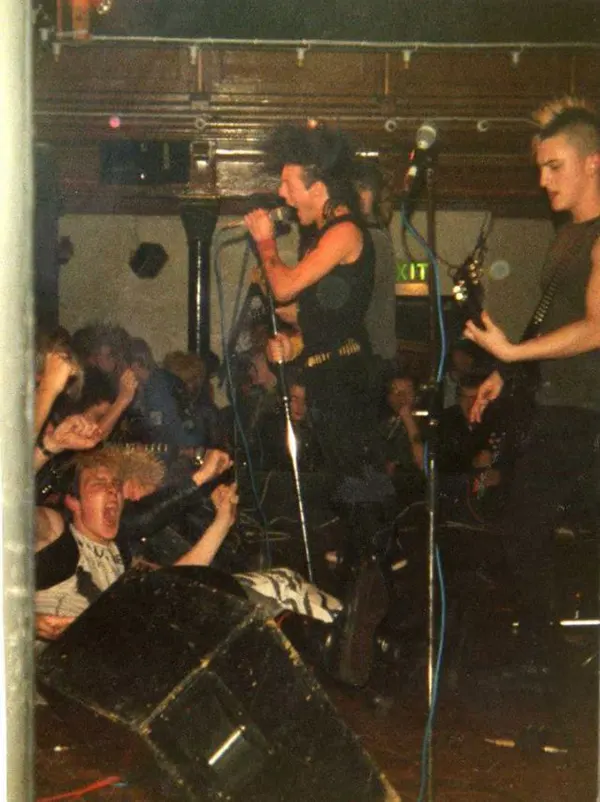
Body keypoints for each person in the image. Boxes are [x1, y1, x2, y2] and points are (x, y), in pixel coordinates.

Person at [244, 122, 391, 686]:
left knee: (360, 508)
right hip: (334, 384)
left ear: (320, 187)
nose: (281, 197)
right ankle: (355, 630)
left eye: (288, 185)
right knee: (346, 508)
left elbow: (285, 290)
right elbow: (312, 316)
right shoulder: (325, 237)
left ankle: (370, 621)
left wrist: (264, 242)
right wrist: (295, 340)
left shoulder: (345, 232)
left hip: (350, 388)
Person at [463, 100, 600, 682]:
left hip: (585, 410)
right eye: (540, 168)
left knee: (525, 534)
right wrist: (505, 371)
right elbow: (550, 320)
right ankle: (557, 662)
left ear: (593, 162)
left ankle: (559, 668)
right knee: (526, 534)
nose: (543, 180)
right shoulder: (566, 237)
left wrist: (514, 354)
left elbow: (597, 327)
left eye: (555, 166)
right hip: (559, 404)